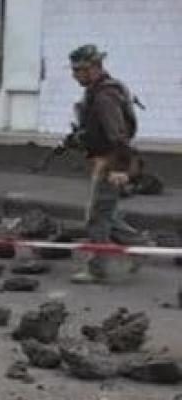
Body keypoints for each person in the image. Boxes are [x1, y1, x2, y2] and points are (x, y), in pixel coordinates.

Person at [68, 44, 149, 284]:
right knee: (106, 213)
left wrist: (118, 169)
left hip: (111, 161)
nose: (75, 75)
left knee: (97, 217)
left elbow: (118, 135)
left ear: (93, 67)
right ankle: (140, 247)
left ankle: (97, 268)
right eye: (73, 70)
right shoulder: (96, 91)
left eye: (79, 70)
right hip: (103, 159)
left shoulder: (105, 96)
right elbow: (97, 130)